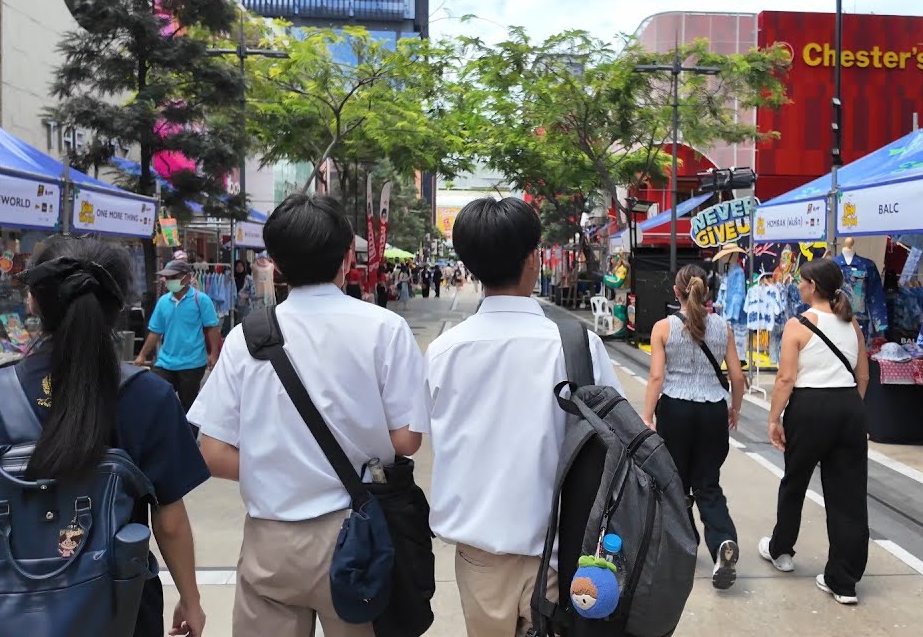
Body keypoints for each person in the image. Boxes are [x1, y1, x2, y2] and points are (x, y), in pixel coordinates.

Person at [0, 236, 210, 637]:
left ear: (34, 303)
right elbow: (170, 519)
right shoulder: (150, 396)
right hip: (118, 611)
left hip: (0, 612)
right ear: (118, 304)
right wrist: (191, 599)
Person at [188, 193, 428, 637]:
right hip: (359, 535)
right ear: (344, 259)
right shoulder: (384, 329)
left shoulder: (248, 337)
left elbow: (213, 451)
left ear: (275, 264)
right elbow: (408, 439)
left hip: (272, 542)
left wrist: (280, 464)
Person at [424, 197, 624, 637]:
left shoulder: (442, 353)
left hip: (479, 559)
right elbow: (620, 439)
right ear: (533, 259)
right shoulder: (578, 346)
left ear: (470, 265)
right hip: (561, 553)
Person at [758, 258, 870, 605]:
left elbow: (786, 379)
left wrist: (774, 418)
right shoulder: (853, 326)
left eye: (802, 281)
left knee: (795, 482)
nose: (799, 286)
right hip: (849, 407)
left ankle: (782, 550)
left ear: (813, 286)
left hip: (809, 409)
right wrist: (849, 406)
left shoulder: (798, 325)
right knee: (849, 496)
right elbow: (863, 376)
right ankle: (844, 581)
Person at [640, 264, 743, 591]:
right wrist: (735, 407)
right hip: (713, 411)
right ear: (707, 291)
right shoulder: (722, 327)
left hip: (675, 411)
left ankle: (682, 546)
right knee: (708, 483)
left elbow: (657, 377)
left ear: (676, 292)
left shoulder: (663, 328)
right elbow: (738, 378)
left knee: (675, 485)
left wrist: (647, 416)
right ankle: (723, 542)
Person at [134, 260, 221, 425]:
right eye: (166, 278)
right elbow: (155, 332)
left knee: (189, 406)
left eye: (173, 277)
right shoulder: (163, 302)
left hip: (192, 363)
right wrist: (142, 355)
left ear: (187, 278)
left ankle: (189, 440)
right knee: (155, 398)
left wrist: (213, 354)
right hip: (165, 362)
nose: (169, 281)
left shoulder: (200, 300)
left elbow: (212, 328)